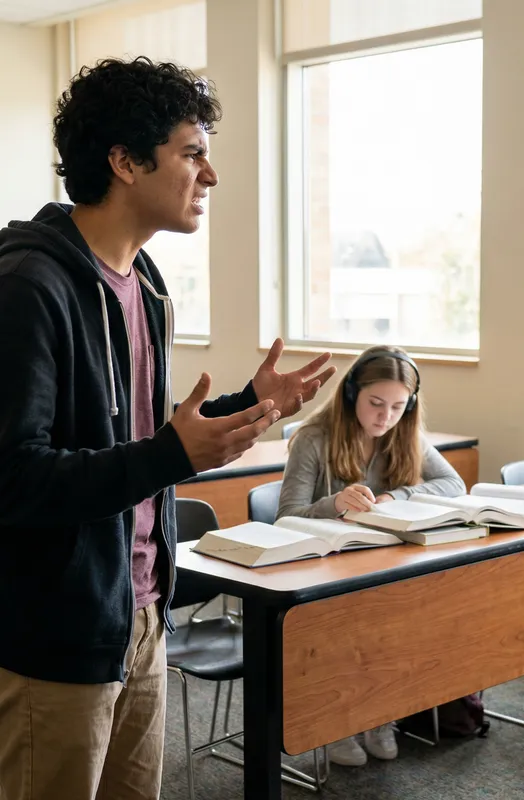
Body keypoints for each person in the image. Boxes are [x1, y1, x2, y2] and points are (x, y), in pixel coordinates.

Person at [0, 57, 335, 800]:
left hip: (143, 611)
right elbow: (14, 478)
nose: (209, 175)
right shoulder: (28, 288)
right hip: (55, 632)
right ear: (124, 161)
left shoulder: (146, 286)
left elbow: (141, 440)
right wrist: (167, 452)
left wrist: (251, 403)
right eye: (192, 153)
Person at [277, 345, 466, 765]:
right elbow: (285, 517)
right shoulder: (313, 438)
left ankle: (379, 715)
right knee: (354, 621)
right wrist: (335, 504)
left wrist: (398, 494)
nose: (386, 417)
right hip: (324, 571)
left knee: (405, 616)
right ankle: (339, 720)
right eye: (376, 404)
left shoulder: (404, 433)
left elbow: (454, 485)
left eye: (398, 407)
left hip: (382, 564)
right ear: (351, 395)